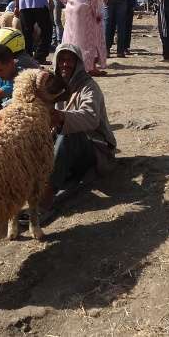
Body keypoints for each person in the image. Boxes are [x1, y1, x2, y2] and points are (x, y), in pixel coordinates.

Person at [43, 43, 117, 219]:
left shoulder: (89, 86)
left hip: (95, 146)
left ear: (78, 63)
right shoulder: (55, 86)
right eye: (61, 60)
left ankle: (46, 197)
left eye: (70, 61)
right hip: (65, 142)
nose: (65, 65)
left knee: (68, 134)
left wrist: (62, 116)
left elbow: (90, 117)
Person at [53, 0, 107, 76]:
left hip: (71, 10)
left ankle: (70, 66)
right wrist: (98, 12)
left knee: (72, 39)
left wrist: (67, 0)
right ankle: (91, 67)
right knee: (88, 39)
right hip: (86, 12)